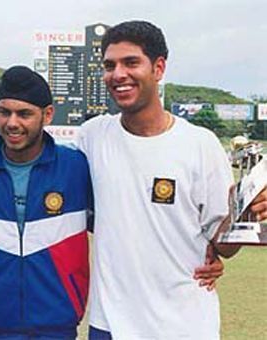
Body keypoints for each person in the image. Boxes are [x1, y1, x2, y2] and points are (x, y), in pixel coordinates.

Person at [77, 20, 267, 340]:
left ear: (159, 67)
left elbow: (222, 245)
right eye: (110, 66)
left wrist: (242, 213)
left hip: (184, 326)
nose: (118, 74)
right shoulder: (92, 136)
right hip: (110, 325)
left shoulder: (200, 144)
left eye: (131, 62)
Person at [0, 66, 92, 339]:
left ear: (48, 114)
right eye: (4, 112)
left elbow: (123, 219)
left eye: (24, 114)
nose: (12, 123)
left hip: (54, 326)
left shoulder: (76, 167)